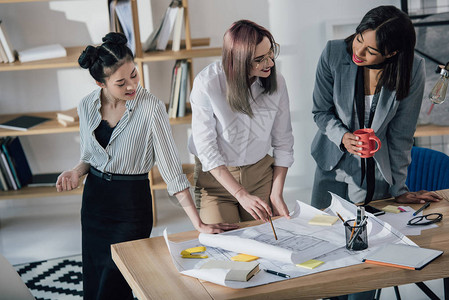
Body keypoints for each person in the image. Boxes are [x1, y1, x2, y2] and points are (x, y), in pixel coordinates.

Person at [56, 32, 237, 300]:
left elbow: (171, 170)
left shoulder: (151, 107)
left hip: (131, 205)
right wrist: (75, 171)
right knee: (94, 276)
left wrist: (197, 222)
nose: (131, 85)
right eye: (121, 82)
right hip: (94, 202)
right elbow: (89, 156)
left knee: (116, 278)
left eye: (134, 75)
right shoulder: (86, 106)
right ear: (100, 82)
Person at [311, 5, 442, 217]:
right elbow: (321, 111)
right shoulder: (332, 53)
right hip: (333, 163)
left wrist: (399, 189)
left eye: (371, 51)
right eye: (359, 38)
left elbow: (402, 134)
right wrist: (343, 137)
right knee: (324, 229)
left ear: (392, 52)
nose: (358, 52)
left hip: (376, 170)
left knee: (372, 236)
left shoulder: (412, 69)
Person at [188, 20, 294, 225]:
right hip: (217, 181)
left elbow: (283, 142)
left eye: (271, 53)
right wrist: (240, 193)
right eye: (260, 59)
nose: (270, 63)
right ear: (238, 60)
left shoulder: (277, 81)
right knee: (227, 246)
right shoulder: (208, 83)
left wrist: (276, 193)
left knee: (266, 242)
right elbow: (207, 150)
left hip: (260, 175)